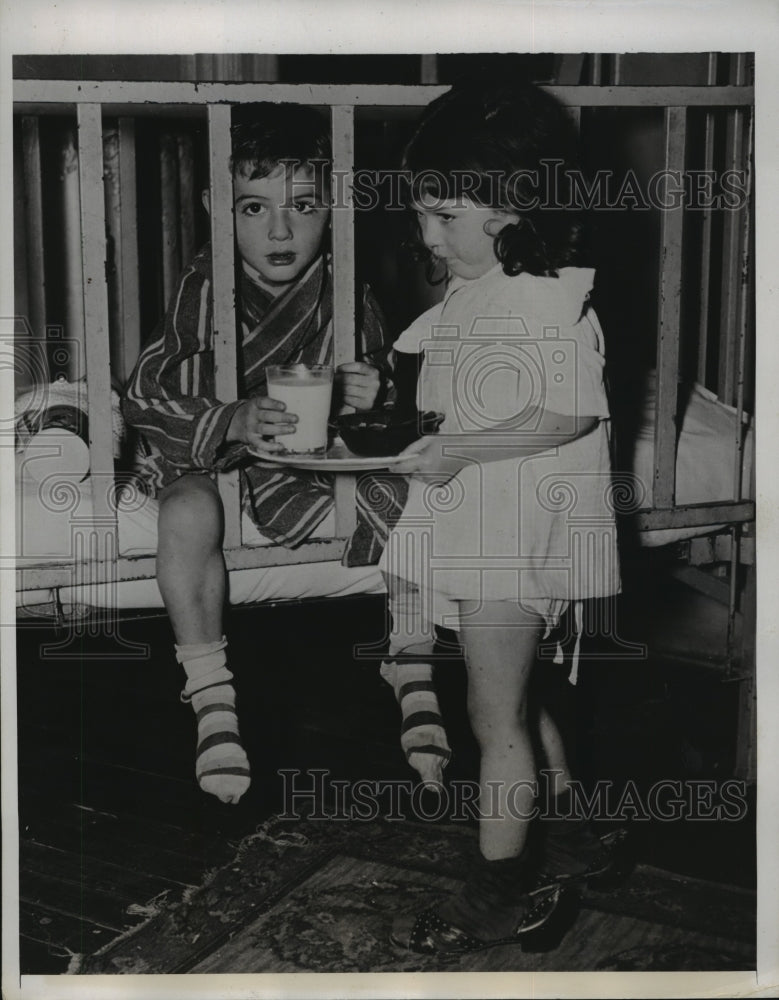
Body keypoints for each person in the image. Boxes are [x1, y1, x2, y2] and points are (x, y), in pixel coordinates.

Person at [123, 103, 445, 806]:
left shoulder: (345, 285)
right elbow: (145, 391)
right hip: (210, 447)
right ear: (218, 207)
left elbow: (377, 387)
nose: (278, 229)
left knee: (413, 491)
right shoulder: (203, 285)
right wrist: (228, 417)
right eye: (253, 206)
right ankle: (209, 690)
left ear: (332, 208)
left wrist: (368, 389)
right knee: (184, 513)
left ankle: (410, 660)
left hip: (308, 456)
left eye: (303, 205)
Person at [380, 79, 622, 953]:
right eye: (423, 215)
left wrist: (460, 451)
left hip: (513, 534)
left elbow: (572, 414)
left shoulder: (541, 299)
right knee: (518, 697)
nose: (427, 234)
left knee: (492, 718)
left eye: (444, 216)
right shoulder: (492, 286)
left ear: (515, 203)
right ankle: (578, 835)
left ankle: (495, 889)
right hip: (494, 522)